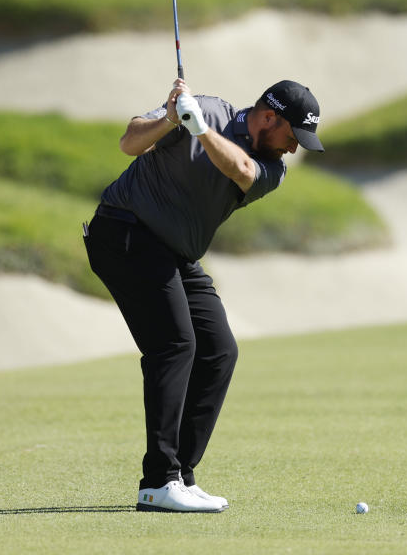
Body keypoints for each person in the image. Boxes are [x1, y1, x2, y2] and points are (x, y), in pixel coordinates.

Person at [83, 78, 323, 513]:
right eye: (293, 137)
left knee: (219, 351)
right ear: (269, 118)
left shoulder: (271, 167)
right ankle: (158, 482)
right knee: (174, 345)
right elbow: (130, 142)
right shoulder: (205, 108)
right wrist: (173, 118)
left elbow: (241, 170)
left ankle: (180, 475)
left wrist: (199, 131)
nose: (294, 149)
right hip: (123, 230)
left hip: (174, 251)